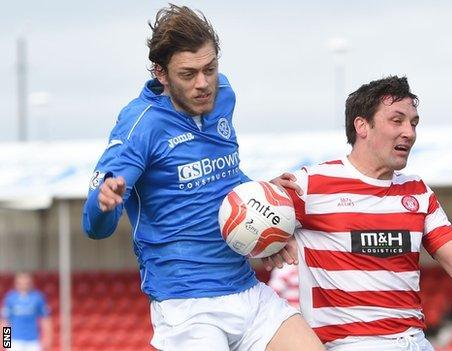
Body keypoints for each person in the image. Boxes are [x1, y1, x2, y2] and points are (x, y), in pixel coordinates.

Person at [81, 4, 324, 351]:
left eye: (210, 69)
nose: (203, 84)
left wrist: (264, 203)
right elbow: (94, 227)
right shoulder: (141, 125)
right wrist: (104, 203)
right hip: (187, 307)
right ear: (161, 73)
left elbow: (223, 175)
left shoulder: (223, 96)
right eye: (188, 74)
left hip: (246, 290)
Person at [264, 76, 452, 351]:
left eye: (413, 123)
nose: (409, 132)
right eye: (397, 121)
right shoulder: (309, 186)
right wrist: (267, 215)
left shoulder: (418, 193)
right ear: (362, 126)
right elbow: (246, 222)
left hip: (417, 343)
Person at [1, 273, 52, 351]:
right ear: (16, 283)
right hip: (15, 341)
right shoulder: (10, 298)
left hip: (33, 341)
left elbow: (45, 319)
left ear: (30, 283)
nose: (23, 285)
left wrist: (47, 338)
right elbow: (5, 321)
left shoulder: (38, 297)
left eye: (26, 282)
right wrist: (6, 342)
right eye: (21, 282)